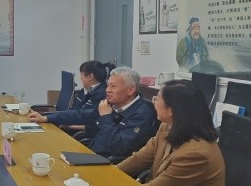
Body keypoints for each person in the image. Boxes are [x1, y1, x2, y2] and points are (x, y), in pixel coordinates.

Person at [117, 80, 225, 186]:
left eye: (157, 98)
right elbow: (139, 159)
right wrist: (110, 173)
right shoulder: (167, 127)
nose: (153, 102)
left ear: (172, 110)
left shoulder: (196, 154)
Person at [28, 67, 157, 159]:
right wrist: (47, 117)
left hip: (109, 162)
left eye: (113, 86)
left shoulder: (142, 114)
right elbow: (81, 114)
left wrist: (106, 117)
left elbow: (119, 147)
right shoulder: (112, 103)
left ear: (130, 90)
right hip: (92, 153)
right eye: (107, 85)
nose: (107, 90)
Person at [60, 61, 116, 136]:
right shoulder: (85, 90)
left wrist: (69, 126)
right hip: (71, 122)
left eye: (81, 75)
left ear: (90, 76)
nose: (80, 78)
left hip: (81, 133)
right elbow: (75, 110)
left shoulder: (104, 95)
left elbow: (95, 124)